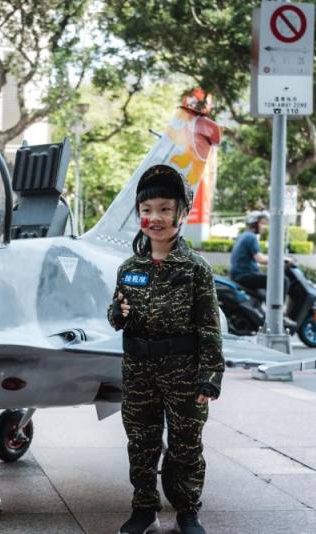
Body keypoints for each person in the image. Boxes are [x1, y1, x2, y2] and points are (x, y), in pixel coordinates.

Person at [108, 165, 224, 534]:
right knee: (140, 442)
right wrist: (117, 312)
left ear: (180, 213)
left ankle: (188, 512)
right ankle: (144, 509)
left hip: (183, 370)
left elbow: (209, 325)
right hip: (139, 368)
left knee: (186, 444)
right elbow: (116, 315)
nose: (154, 217)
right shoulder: (129, 267)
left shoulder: (195, 269)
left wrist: (210, 377)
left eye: (163, 209)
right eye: (147, 210)